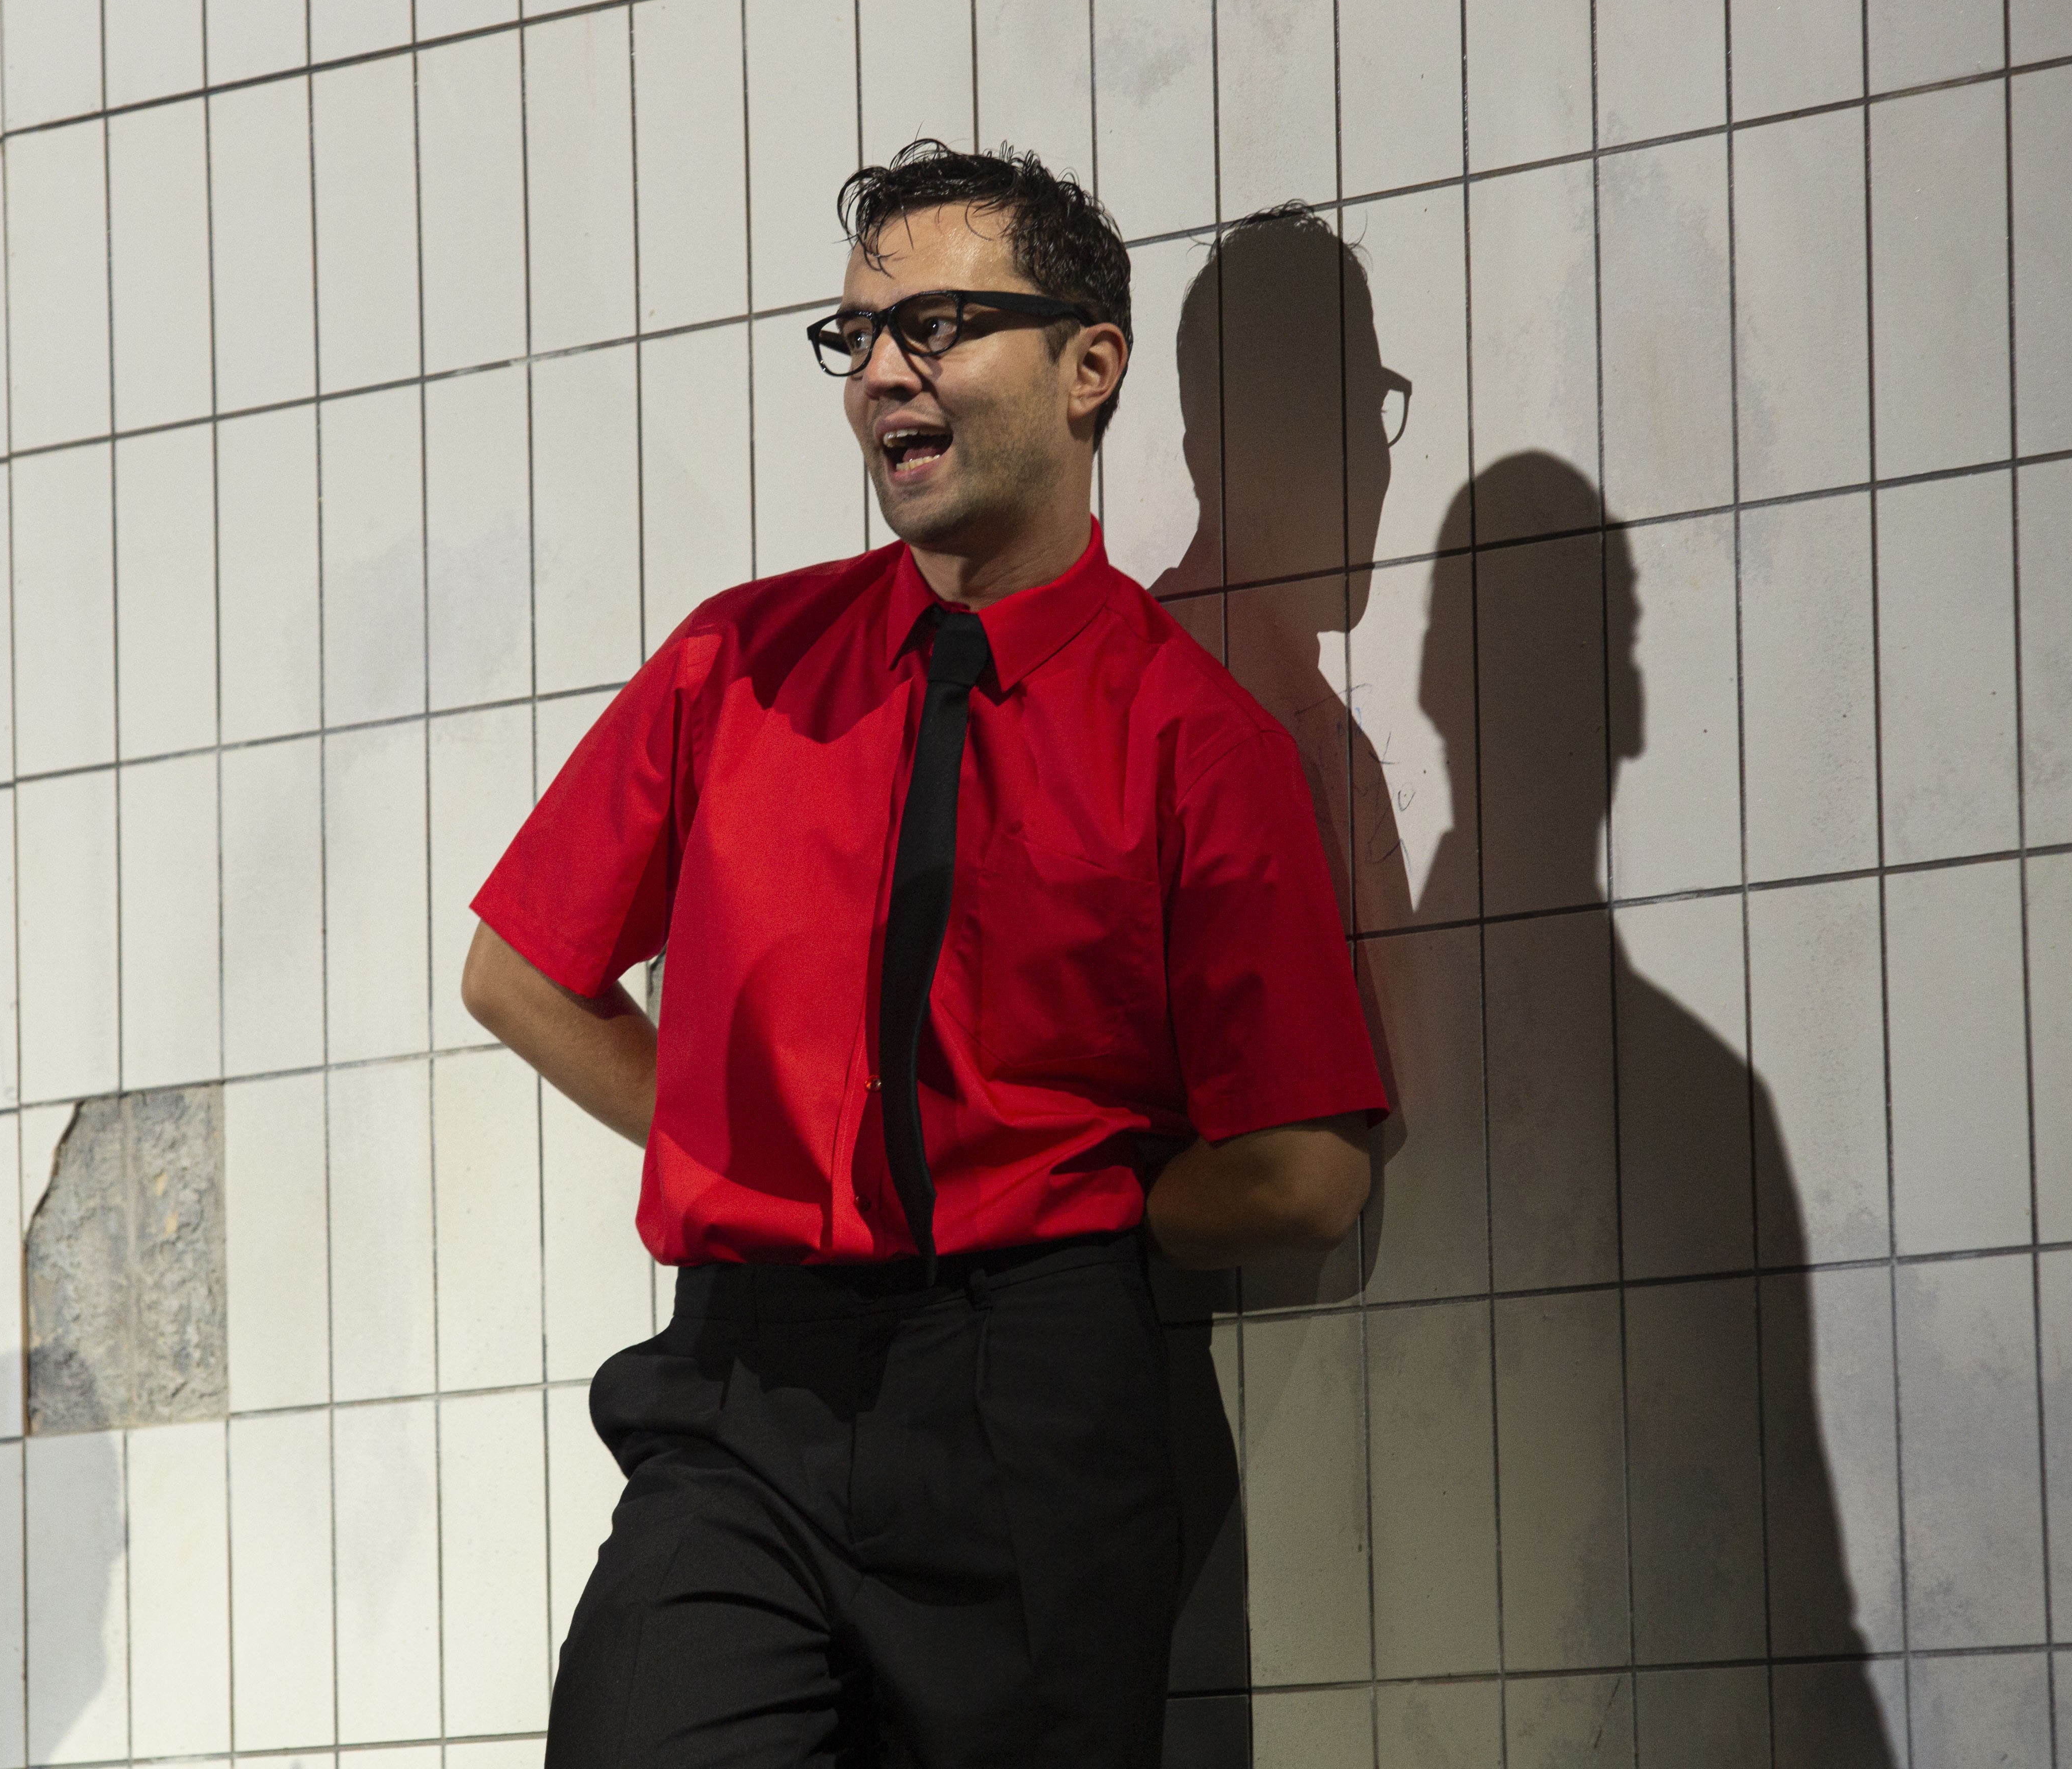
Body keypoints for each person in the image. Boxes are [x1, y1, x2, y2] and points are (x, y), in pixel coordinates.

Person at [463, 141, 1388, 1767]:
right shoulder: (737, 663)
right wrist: (730, 1135)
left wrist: (1090, 1211)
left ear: (1090, 368)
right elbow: (518, 972)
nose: (883, 372)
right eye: (859, 335)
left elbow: (1306, 1173)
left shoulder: (1198, 740)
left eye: (938, 326)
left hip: (1032, 1403)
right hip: (744, 1392)